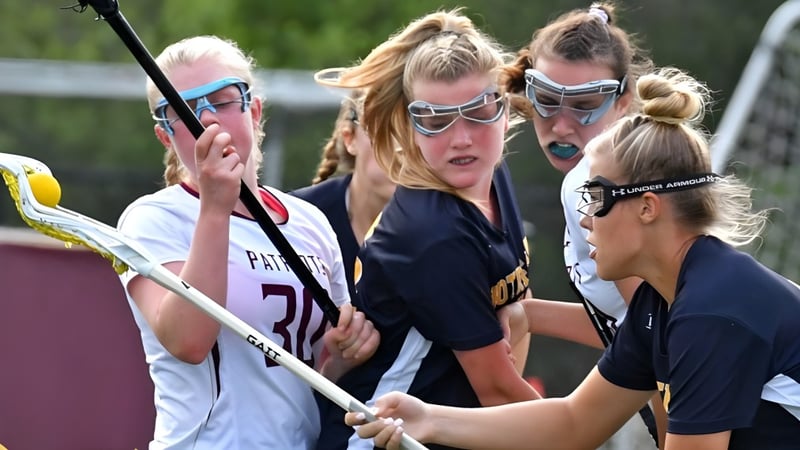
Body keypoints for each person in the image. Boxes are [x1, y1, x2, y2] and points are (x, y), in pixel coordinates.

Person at [345, 67, 800, 450]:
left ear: (647, 207)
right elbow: (574, 422)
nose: (585, 219)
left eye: (596, 196)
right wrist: (428, 419)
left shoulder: (711, 312)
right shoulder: (661, 303)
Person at [116, 35, 379, 449]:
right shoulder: (153, 220)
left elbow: (313, 374)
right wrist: (216, 210)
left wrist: (344, 358)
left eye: (222, 100)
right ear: (166, 137)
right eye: (182, 112)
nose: (207, 121)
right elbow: (188, 341)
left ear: (253, 110)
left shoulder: (310, 222)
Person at [313, 9, 541, 450]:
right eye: (435, 120)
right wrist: (581, 428)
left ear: (505, 110)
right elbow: (496, 390)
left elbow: (516, 314)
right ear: (409, 125)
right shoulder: (430, 234)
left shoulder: (489, 174)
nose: (461, 138)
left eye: (478, 111)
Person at [496, 3, 665, 446]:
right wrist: (528, 313)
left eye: (586, 106)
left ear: (623, 101)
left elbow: (665, 343)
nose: (562, 125)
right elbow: (629, 322)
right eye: (547, 101)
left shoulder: (590, 182)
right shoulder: (635, 165)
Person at [291, 89, 396, 301]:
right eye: (387, 128)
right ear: (350, 138)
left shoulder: (453, 226)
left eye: (419, 127)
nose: (405, 147)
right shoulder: (296, 220)